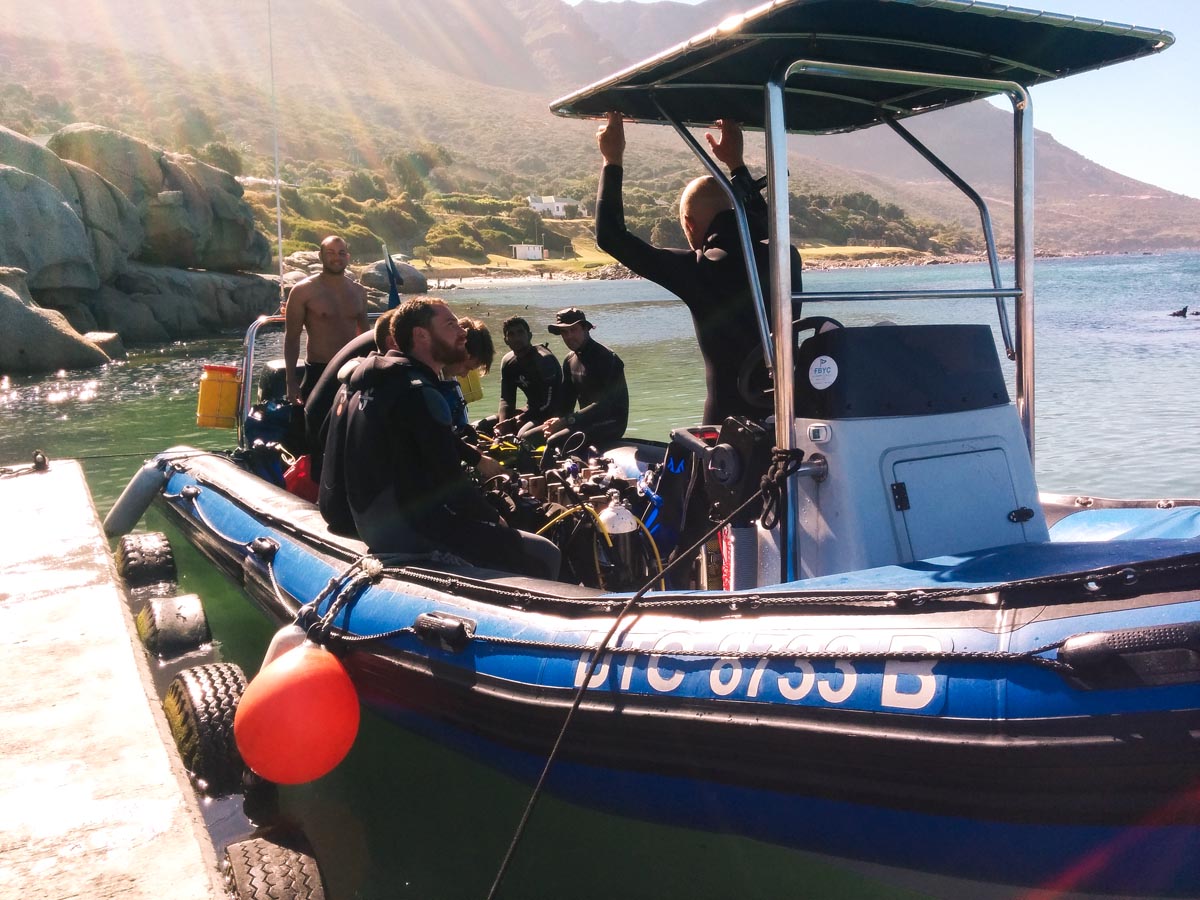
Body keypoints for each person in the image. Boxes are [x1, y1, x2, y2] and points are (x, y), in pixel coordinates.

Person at [322, 297, 559, 578]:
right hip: (412, 533)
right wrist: (496, 520)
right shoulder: (421, 393)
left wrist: (475, 457)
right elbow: (453, 487)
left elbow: (429, 437)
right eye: (450, 325)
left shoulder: (378, 381)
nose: (462, 333)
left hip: (375, 523)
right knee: (544, 553)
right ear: (421, 335)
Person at [594, 112, 804, 424]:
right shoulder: (786, 255)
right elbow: (763, 226)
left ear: (689, 224)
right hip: (789, 416)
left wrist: (612, 159)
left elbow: (610, 236)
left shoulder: (700, 269)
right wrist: (736, 165)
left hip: (728, 429)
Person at [283, 234, 369, 406]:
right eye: (330, 252)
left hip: (351, 370)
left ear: (347, 257)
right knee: (315, 429)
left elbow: (365, 336)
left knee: (350, 430)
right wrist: (290, 382)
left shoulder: (359, 292)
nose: (336, 257)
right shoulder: (303, 291)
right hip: (318, 371)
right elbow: (292, 338)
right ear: (320, 256)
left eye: (341, 253)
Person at [541, 307, 628, 452]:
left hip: (611, 423)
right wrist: (555, 421)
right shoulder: (569, 360)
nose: (569, 336)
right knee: (529, 436)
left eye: (573, 330)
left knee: (553, 441)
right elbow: (566, 402)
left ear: (585, 328)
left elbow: (605, 405)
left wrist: (567, 421)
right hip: (584, 421)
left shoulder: (607, 358)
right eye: (564, 332)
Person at [479, 316, 562, 438]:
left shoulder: (544, 360)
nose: (517, 338)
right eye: (511, 334)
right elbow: (506, 399)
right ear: (506, 340)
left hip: (552, 414)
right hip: (530, 411)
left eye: (520, 332)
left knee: (522, 436)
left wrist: (518, 419)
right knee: (480, 427)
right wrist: (503, 424)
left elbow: (549, 404)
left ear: (529, 335)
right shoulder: (509, 362)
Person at [439, 317, 495, 430]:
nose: (464, 375)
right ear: (459, 350)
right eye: (467, 368)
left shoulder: (450, 377)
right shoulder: (430, 383)